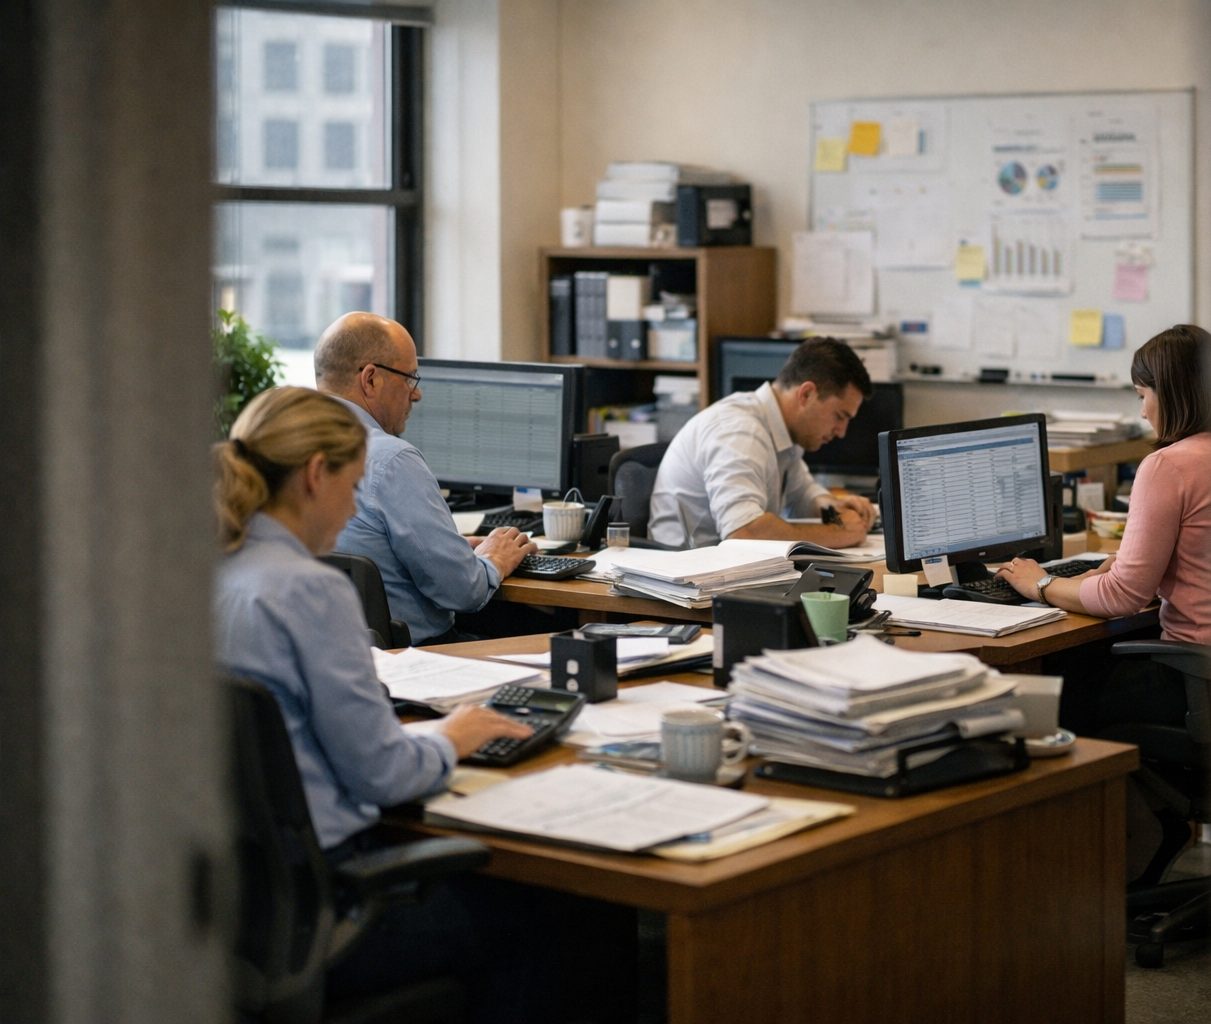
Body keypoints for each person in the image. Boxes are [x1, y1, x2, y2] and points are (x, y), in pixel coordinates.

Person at [214, 387, 635, 1021]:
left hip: (243, 916)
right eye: (354, 486)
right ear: (315, 474)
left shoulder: (211, 572)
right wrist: (454, 736)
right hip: (338, 914)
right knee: (572, 905)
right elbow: (384, 775)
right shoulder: (309, 590)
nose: (356, 505)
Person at [996, 324, 1211, 883]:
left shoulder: (1169, 465)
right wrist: (1122, 564)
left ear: (1172, 394)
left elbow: (1124, 595)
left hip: (1200, 681)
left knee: (1044, 691)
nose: (1144, 411)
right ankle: (1156, 818)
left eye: (1144, 394)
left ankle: (1118, 842)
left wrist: (1039, 585)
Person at [313, 312, 538, 646]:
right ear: (371, 379)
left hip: (328, 662)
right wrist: (494, 559)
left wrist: (452, 550)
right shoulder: (391, 460)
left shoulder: (289, 450)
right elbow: (463, 591)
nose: (415, 394)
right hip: (417, 661)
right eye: (409, 378)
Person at [650, 337, 877, 549]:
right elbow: (744, 533)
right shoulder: (740, 431)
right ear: (806, 394)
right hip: (686, 578)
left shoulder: (784, 432)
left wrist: (834, 511)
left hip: (724, 574)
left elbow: (803, 495)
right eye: (840, 416)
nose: (841, 432)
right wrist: (838, 534)